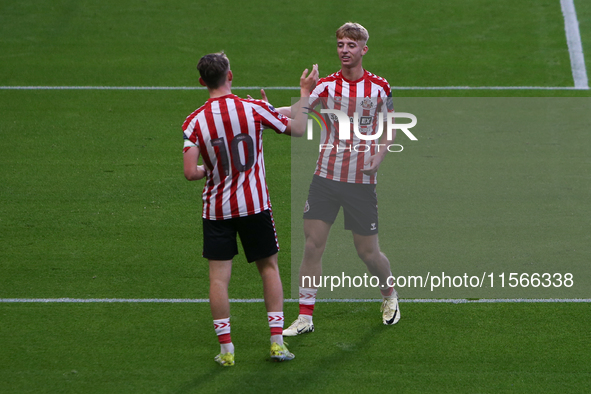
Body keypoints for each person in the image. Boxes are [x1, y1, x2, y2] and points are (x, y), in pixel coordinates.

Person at [183, 51, 318, 365]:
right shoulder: (253, 109)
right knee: (268, 269)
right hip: (255, 205)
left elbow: (191, 172)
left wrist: (207, 170)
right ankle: (276, 343)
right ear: (230, 76)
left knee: (218, 280)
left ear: (202, 82)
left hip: (216, 211)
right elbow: (298, 128)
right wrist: (305, 94)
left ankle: (227, 351)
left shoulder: (194, 122)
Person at [283, 22, 400, 337]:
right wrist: (259, 109)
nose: (344, 51)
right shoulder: (326, 86)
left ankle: (389, 295)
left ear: (364, 49)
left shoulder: (379, 87)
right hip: (325, 179)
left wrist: (380, 155)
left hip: (360, 183)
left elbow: (389, 126)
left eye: (351, 45)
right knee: (312, 246)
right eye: (340, 45)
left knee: (368, 253)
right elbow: (299, 110)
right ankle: (305, 317)